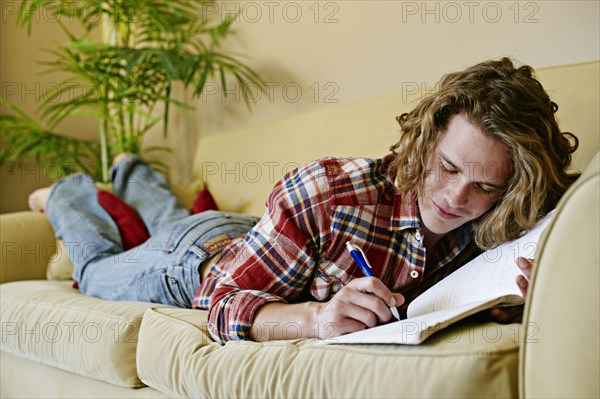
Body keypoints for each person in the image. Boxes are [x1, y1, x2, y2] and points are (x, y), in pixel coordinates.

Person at [29, 57, 579, 344]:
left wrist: (530, 293)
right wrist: (315, 318)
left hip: (252, 233)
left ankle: (132, 172)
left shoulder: (507, 214)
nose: (458, 198)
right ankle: (66, 193)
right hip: (193, 265)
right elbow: (221, 304)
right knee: (98, 267)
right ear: (425, 140)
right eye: (449, 168)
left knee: (173, 216)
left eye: (485, 186)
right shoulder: (328, 190)